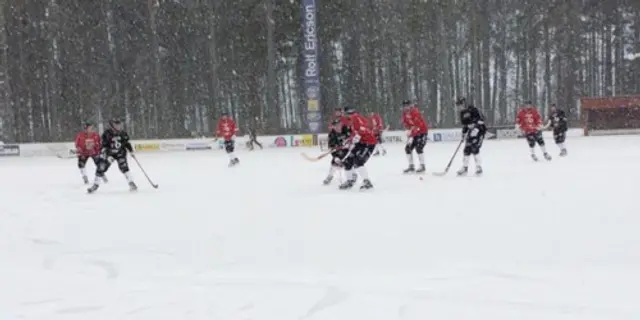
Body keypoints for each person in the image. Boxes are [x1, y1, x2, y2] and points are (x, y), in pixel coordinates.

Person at [87, 119, 137, 193]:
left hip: (120, 153)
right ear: (113, 125)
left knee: (124, 167)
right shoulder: (107, 133)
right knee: (101, 167)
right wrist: (105, 152)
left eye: (119, 125)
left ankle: (131, 183)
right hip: (110, 154)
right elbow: (103, 144)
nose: (118, 127)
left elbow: (127, 143)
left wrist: (131, 151)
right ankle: (95, 184)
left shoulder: (123, 133)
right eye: (116, 125)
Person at [338, 107, 377, 190]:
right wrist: (349, 140)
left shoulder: (356, 117)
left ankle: (367, 182)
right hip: (361, 143)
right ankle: (349, 181)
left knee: (358, 162)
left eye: (345, 114)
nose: (344, 116)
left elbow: (364, 128)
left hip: (369, 143)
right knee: (348, 160)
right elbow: (354, 133)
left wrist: (357, 136)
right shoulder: (351, 120)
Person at [455, 97, 487, 176]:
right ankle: (465, 168)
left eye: (460, 106)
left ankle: (479, 167)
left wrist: (475, 125)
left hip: (479, 131)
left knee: (475, 148)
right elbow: (465, 125)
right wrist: (463, 134)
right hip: (470, 133)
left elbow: (481, 119)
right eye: (458, 106)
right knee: (467, 149)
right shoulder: (462, 114)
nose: (459, 108)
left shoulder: (473, 109)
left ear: (463, 104)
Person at [401, 100, 428, 173]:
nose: (406, 107)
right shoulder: (404, 113)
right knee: (407, 148)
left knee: (419, 147)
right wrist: (407, 130)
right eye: (404, 106)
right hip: (413, 133)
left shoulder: (415, 112)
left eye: (407, 105)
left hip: (422, 132)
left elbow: (417, 124)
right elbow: (405, 123)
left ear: (410, 105)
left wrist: (411, 131)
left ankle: (422, 165)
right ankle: (411, 166)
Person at [322, 119, 350, 185]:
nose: (338, 127)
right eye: (336, 125)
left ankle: (353, 176)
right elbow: (331, 149)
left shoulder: (345, 130)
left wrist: (347, 144)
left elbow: (350, 138)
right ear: (333, 127)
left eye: (339, 125)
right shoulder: (332, 135)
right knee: (334, 162)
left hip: (348, 150)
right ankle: (330, 176)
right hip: (339, 152)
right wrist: (335, 157)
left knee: (351, 161)